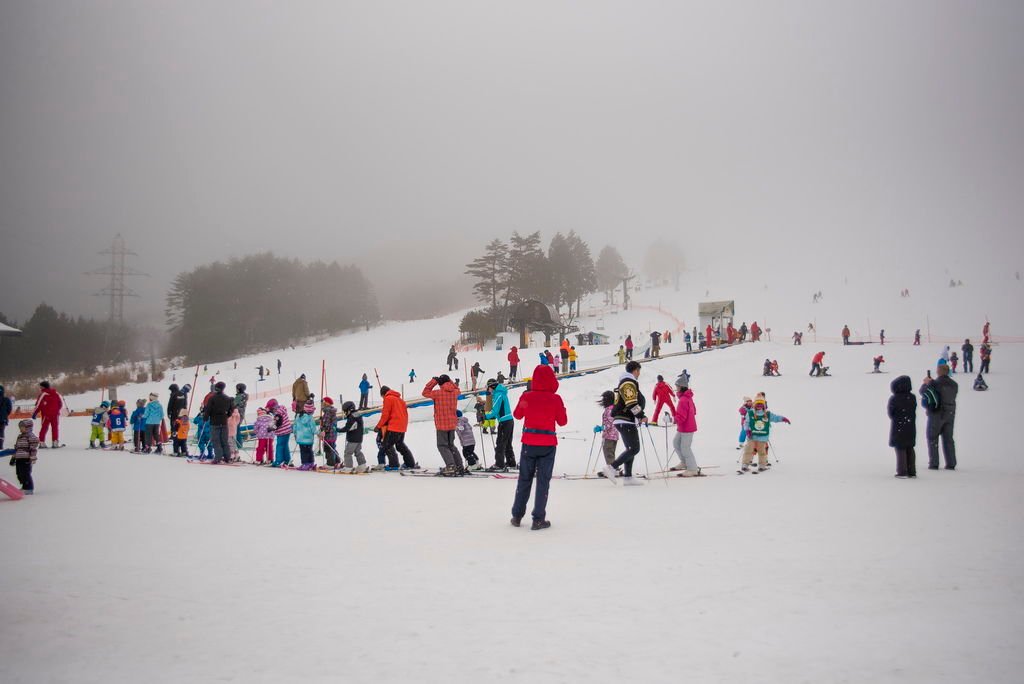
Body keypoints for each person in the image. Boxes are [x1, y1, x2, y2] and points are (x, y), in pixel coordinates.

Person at [510, 364, 567, 530]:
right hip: (548, 444)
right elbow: (563, 421)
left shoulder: (527, 396)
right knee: (543, 482)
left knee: (524, 479)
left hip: (529, 442)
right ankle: (538, 519)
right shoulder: (555, 399)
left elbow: (517, 415)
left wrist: (525, 401)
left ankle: (517, 515)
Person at [603, 361, 646, 486]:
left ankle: (628, 477)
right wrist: (641, 416)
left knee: (630, 448)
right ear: (636, 370)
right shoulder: (628, 383)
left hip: (625, 420)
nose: (639, 374)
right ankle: (612, 467)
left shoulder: (626, 382)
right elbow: (631, 402)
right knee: (634, 448)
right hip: (625, 419)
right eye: (639, 371)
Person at [920, 361, 958, 470]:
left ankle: (934, 462)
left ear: (939, 372)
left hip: (936, 413)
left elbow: (923, 392)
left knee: (932, 437)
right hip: (950, 413)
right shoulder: (954, 384)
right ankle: (951, 463)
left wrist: (926, 383)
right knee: (948, 439)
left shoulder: (935, 383)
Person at [422, 375, 463, 475]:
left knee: (442, 445)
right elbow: (458, 389)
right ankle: (459, 465)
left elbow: (425, 392)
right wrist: (450, 380)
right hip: (452, 424)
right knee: (451, 445)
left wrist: (433, 381)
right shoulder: (455, 392)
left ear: (440, 383)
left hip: (441, 424)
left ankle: (451, 466)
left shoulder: (438, 393)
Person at [740, 397, 790, 472]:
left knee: (762, 452)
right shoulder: (750, 413)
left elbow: (775, 418)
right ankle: (745, 465)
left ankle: (762, 465)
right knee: (748, 450)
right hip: (752, 436)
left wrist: (783, 419)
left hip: (762, 437)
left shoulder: (767, 414)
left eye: (761, 404)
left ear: (763, 405)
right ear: (754, 405)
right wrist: (747, 430)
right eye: (757, 404)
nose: (759, 406)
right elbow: (746, 422)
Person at [378, 385, 417, 470]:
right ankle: (410, 463)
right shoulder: (400, 400)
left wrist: (378, 426)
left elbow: (385, 415)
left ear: (383, 394)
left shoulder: (388, 399)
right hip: (402, 426)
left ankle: (393, 465)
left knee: (386, 446)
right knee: (400, 445)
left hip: (393, 427)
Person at [670, 373, 700, 475]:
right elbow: (694, 411)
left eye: (677, 386)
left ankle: (692, 469)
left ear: (682, 387)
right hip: (683, 427)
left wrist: (671, 419)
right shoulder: (687, 398)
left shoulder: (683, 400)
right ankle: (684, 462)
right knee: (676, 443)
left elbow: (681, 417)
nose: (676, 388)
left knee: (685, 448)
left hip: (687, 428)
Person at [887, 375, 917, 478]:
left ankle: (902, 471)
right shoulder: (912, 397)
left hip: (899, 425)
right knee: (910, 447)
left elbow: (891, 413)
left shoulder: (895, 398)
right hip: (910, 425)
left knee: (900, 448)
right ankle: (911, 470)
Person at [485, 378, 516, 470]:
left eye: (488, 387)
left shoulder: (499, 395)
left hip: (505, 422)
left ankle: (499, 464)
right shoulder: (499, 393)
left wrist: (485, 417)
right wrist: (488, 397)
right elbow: (491, 407)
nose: (487, 389)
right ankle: (511, 463)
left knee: (500, 443)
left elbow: (495, 410)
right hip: (508, 421)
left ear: (492, 386)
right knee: (507, 443)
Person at [203, 382, 233, 463]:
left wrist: (205, 417)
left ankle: (218, 457)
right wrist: (227, 416)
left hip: (214, 422)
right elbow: (231, 409)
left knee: (216, 440)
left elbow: (208, 409)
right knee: (224, 440)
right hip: (224, 421)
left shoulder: (212, 398)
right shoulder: (227, 398)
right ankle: (227, 457)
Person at [7, 419, 39, 494]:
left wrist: (33, 457)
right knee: (19, 473)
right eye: (20, 427)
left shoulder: (31, 436)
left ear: (28, 427)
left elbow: (33, 448)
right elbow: (16, 448)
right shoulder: (20, 436)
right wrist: (13, 458)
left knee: (25, 473)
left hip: (26, 458)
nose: (20, 429)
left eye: (22, 427)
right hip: (19, 458)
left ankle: (29, 488)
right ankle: (24, 487)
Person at [338, 401, 368, 472]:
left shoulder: (352, 417)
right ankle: (362, 466)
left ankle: (348, 467)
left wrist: (338, 430)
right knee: (358, 452)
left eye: (345, 411)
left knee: (347, 453)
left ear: (349, 410)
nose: (345, 413)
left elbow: (348, 427)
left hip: (353, 439)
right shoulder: (358, 415)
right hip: (359, 438)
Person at [32, 381, 64, 448]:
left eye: (41, 386)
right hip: (55, 415)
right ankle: (55, 442)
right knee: (55, 428)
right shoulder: (56, 393)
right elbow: (60, 404)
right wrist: (56, 410)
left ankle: (41, 442)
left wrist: (35, 413)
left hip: (46, 415)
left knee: (44, 428)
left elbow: (38, 405)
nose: (40, 388)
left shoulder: (43, 394)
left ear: (43, 387)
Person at [596, 391, 619, 473]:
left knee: (608, 451)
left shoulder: (609, 410)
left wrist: (601, 428)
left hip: (610, 435)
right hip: (613, 435)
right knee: (610, 452)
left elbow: (609, 424)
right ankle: (613, 468)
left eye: (604, 399)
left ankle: (612, 469)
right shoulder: (612, 408)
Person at [266, 398, 293, 467]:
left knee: (280, 446)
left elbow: (278, 424)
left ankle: (279, 460)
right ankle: (287, 460)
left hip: (283, 432)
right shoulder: (280, 411)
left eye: (271, 410)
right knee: (285, 445)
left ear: (274, 408)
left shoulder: (278, 414)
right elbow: (274, 421)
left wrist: (271, 428)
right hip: (287, 430)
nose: (271, 412)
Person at [293, 405, 317, 470]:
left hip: (301, 439)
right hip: (309, 439)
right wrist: (318, 433)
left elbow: (294, 426)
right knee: (309, 451)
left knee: (304, 452)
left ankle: (305, 463)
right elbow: (313, 428)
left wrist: (295, 434)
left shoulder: (298, 416)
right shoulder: (310, 418)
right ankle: (310, 462)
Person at [319, 397, 340, 467]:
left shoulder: (328, 412)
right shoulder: (330, 412)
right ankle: (337, 460)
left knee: (328, 448)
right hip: (332, 434)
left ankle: (330, 463)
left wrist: (323, 430)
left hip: (329, 434)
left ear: (327, 403)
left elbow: (327, 424)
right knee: (332, 447)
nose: (322, 405)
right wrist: (322, 420)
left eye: (323, 403)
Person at [0, 385, 11, 450]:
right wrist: (5, 414)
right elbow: (9, 409)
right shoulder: (6, 400)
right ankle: (0, 445)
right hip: (3, 419)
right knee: (1, 432)